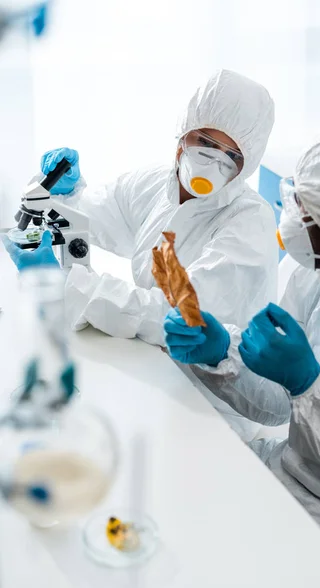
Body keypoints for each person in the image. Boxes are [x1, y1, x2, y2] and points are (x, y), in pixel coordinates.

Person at [164, 115, 320, 588]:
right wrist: (223, 354)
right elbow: (279, 403)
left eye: (309, 214)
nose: (292, 221)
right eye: (298, 200)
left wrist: (310, 387)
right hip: (287, 474)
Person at [4, 69, 277, 441]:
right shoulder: (156, 185)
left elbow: (175, 316)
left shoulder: (249, 223)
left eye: (231, 155)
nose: (214, 162)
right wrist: (60, 193)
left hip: (216, 407)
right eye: (206, 142)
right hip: (155, 370)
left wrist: (67, 284)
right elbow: (89, 217)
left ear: (247, 164)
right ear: (184, 133)